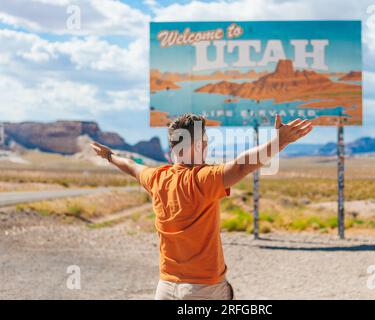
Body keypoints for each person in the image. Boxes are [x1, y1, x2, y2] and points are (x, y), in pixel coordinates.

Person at [91, 113, 313, 300]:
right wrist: (279, 142)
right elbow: (241, 166)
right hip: (204, 289)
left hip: (166, 288)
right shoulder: (203, 179)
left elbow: (131, 166)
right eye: (205, 141)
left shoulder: (156, 178)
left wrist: (109, 155)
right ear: (199, 145)